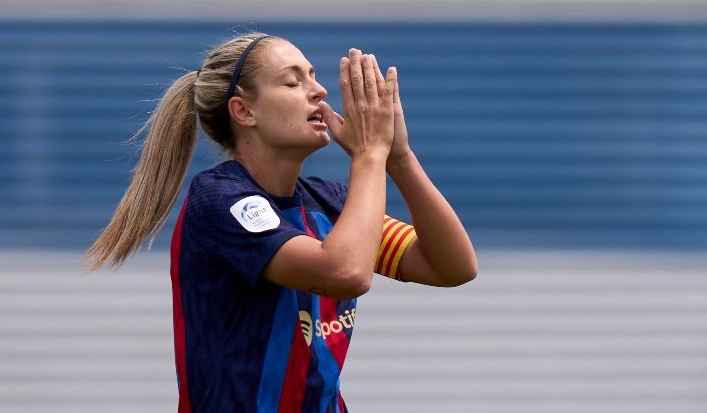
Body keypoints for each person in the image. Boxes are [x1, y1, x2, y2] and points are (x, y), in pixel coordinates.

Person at [84, 32, 477, 413]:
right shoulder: (219, 199)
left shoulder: (330, 201)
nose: (319, 91)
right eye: (292, 81)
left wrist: (398, 157)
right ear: (244, 111)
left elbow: (452, 267)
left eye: (314, 76)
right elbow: (346, 272)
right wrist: (370, 154)